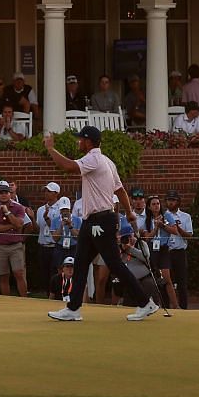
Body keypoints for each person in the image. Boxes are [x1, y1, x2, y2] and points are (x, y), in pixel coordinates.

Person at [42, 126, 162, 322]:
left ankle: (145, 303)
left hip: (100, 221)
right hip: (94, 221)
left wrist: (50, 149)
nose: (78, 142)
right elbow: (120, 190)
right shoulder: (107, 161)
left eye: (80, 139)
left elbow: (69, 167)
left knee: (114, 264)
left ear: (88, 142)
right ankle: (73, 309)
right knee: (80, 264)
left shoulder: (93, 158)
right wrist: (130, 213)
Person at [0, 180, 32, 296]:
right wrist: (12, 226)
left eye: (6, 192)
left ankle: (24, 300)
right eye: (1, 192)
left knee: (19, 273)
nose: (4, 195)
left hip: (15, 246)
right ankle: (6, 301)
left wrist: (7, 213)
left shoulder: (18, 207)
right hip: (0, 246)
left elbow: (21, 224)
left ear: (10, 194)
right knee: (3, 276)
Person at [35, 181, 75, 299]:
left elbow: (55, 227)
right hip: (43, 245)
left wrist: (48, 220)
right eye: (45, 191)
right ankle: (49, 295)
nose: (46, 193)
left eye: (49, 191)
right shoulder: (41, 209)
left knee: (56, 273)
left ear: (56, 193)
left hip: (55, 245)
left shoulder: (62, 208)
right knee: (44, 274)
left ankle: (60, 295)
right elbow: (38, 227)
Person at [157, 189, 193, 310]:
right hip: (165, 251)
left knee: (182, 281)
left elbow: (189, 235)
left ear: (178, 202)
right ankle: (166, 306)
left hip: (179, 251)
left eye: (173, 200)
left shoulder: (185, 216)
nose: (171, 202)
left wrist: (178, 229)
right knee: (165, 281)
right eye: (169, 200)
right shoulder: (162, 216)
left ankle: (183, 307)